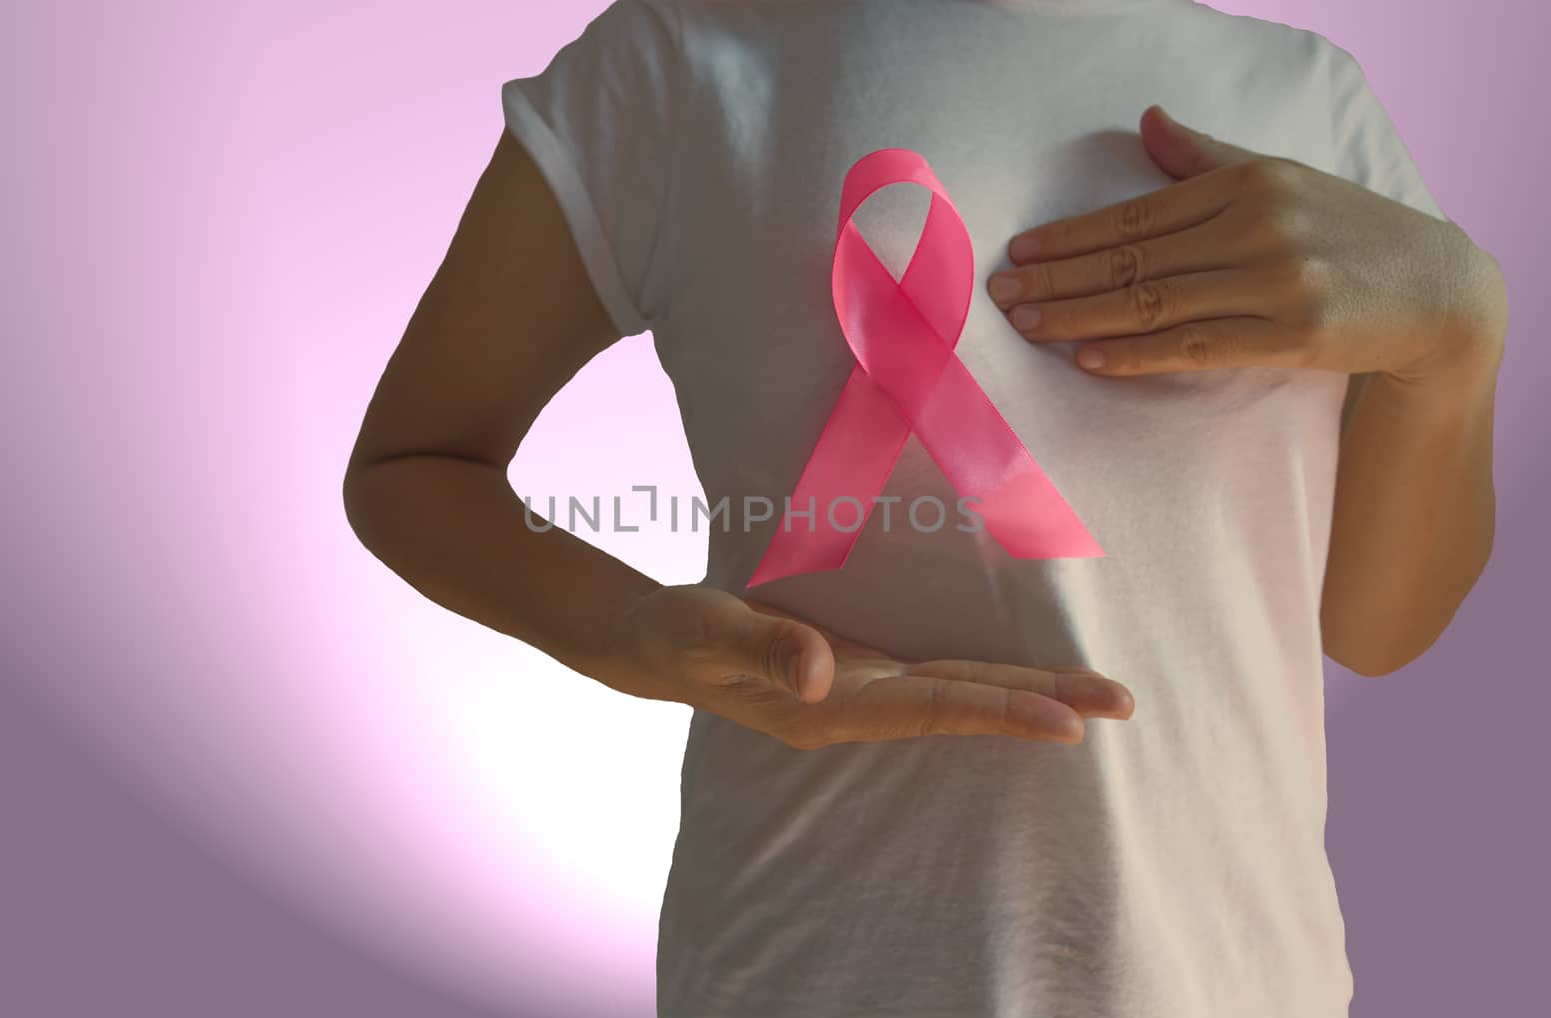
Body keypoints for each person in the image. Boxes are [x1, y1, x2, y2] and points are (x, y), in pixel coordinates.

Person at [342, 0, 1507, 1015]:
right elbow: (413, 466)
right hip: (813, 967)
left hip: (1240, 977)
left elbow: (1374, 628)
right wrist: (637, 637)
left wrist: (1457, 332)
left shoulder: (1311, 96)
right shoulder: (675, 63)